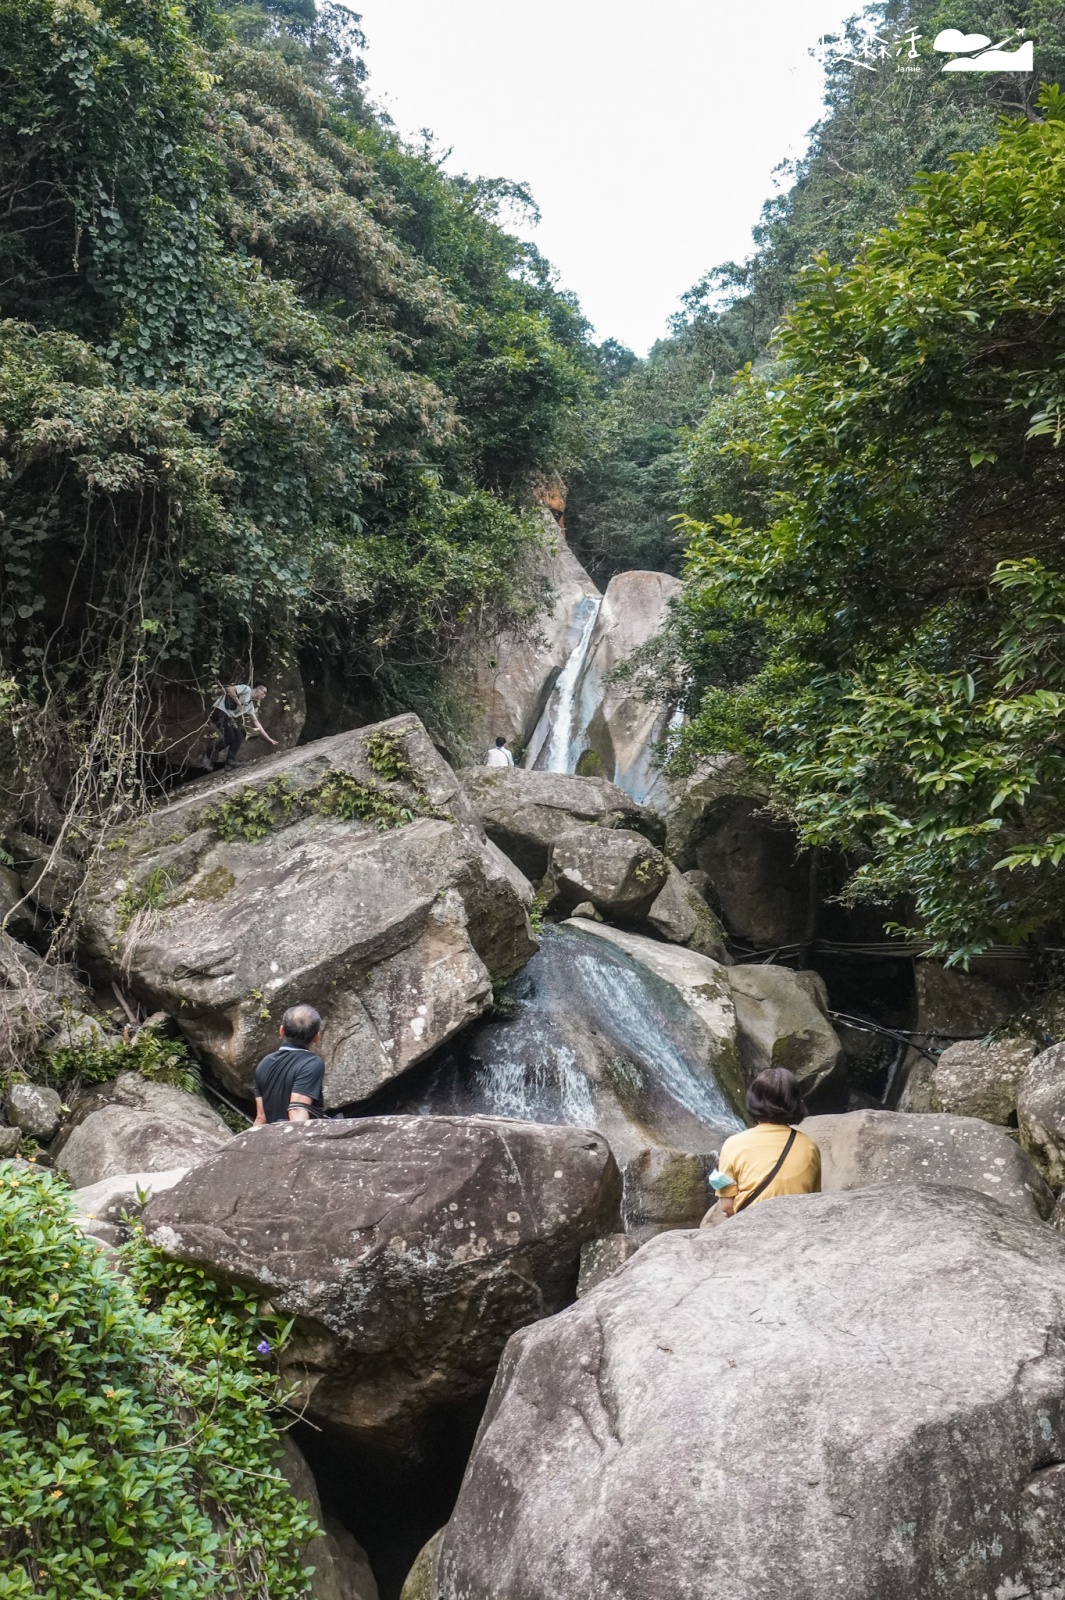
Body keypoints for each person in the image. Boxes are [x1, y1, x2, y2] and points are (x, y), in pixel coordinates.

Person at [702, 1067, 821, 1223]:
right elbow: (816, 1199)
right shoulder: (810, 1146)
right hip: (796, 1227)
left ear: (753, 1100)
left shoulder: (733, 1145)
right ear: (795, 1103)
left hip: (753, 1230)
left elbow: (727, 1206)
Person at [251, 1004, 325, 1125]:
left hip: (270, 1137)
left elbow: (261, 1117)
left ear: (281, 1031)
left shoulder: (264, 1062)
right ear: (316, 1037)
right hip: (293, 1137)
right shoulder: (312, 1063)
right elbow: (297, 1109)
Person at [211, 681, 278, 769]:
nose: (264, 696)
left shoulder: (250, 706)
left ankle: (229, 762)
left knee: (238, 736)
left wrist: (268, 738)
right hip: (218, 711)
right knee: (230, 737)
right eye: (264, 692)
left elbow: (256, 722)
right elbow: (229, 689)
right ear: (258, 689)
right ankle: (210, 752)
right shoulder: (246, 689)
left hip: (228, 717)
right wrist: (238, 703)